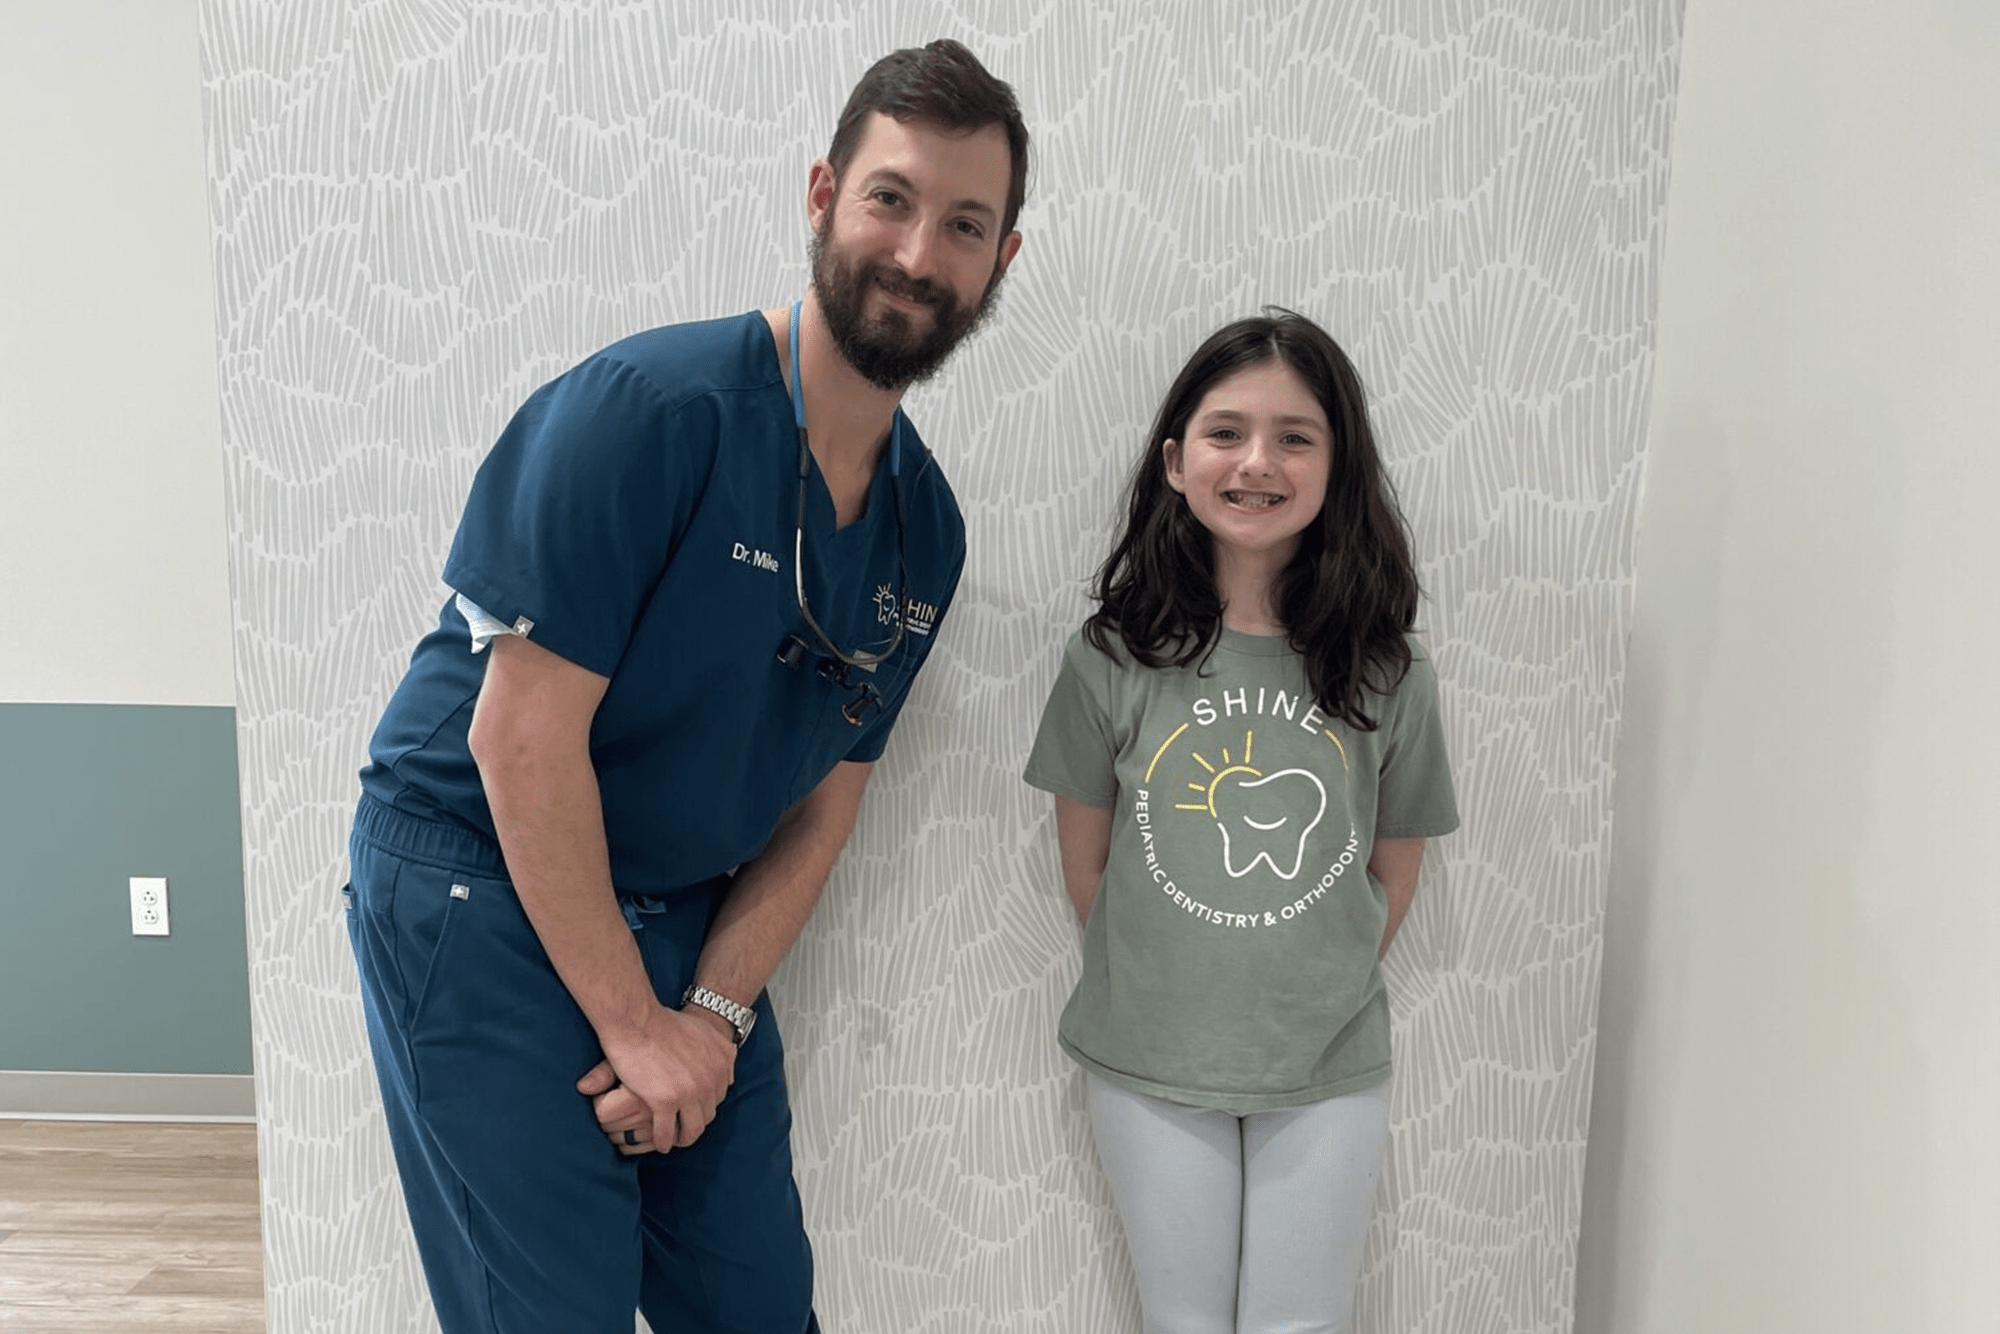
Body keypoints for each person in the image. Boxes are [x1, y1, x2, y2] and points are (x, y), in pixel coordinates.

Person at [341, 39, 1027, 1334]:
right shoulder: (650, 414)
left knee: (758, 1305)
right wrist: (631, 1022)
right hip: (481, 878)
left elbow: (823, 808)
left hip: (683, 905)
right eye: (890, 198)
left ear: (1002, 258)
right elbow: (517, 736)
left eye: (964, 223)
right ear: (822, 195)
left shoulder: (922, 533)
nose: (917, 251)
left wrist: (708, 1014)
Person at [1023, 310, 1458, 1334]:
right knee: (1180, 1320)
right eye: (1226, 432)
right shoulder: (1111, 656)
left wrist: (1305, 983)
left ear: (1337, 466)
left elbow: (1393, 869)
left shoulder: (1389, 670)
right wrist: (1181, 985)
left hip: (1325, 1061)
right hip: (1150, 1056)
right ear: (1176, 461)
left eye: (1294, 436)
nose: (1257, 461)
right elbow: (1087, 866)